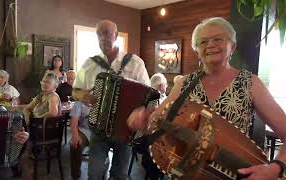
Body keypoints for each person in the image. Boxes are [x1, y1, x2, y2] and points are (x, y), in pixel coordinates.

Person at [127, 17, 286, 180]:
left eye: (218, 39)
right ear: (196, 51)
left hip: (234, 172)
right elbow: (157, 123)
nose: (210, 45)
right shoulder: (184, 83)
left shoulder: (250, 83)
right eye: (203, 42)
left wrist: (276, 167)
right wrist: (143, 119)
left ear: (233, 46)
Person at [73, 20, 150, 180]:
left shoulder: (135, 62)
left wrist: (140, 110)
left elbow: (149, 96)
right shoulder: (90, 64)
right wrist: (84, 96)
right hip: (98, 126)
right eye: (99, 34)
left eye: (106, 33)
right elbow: (75, 91)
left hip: (125, 128)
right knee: (94, 173)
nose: (102, 37)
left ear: (116, 35)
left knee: (120, 174)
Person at [21, 73, 61, 180]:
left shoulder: (53, 96)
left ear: (54, 86)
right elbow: (27, 108)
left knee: (20, 142)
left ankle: (27, 170)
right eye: (43, 81)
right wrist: (27, 117)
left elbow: (53, 112)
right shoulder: (41, 95)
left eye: (48, 82)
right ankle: (25, 167)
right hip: (36, 129)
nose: (44, 83)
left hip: (45, 133)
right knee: (19, 137)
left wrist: (37, 119)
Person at [69, 101, 91, 180]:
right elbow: (74, 120)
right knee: (74, 144)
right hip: (84, 130)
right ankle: (75, 175)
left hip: (101, 133)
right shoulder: (79, 102)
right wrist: (75, 136)